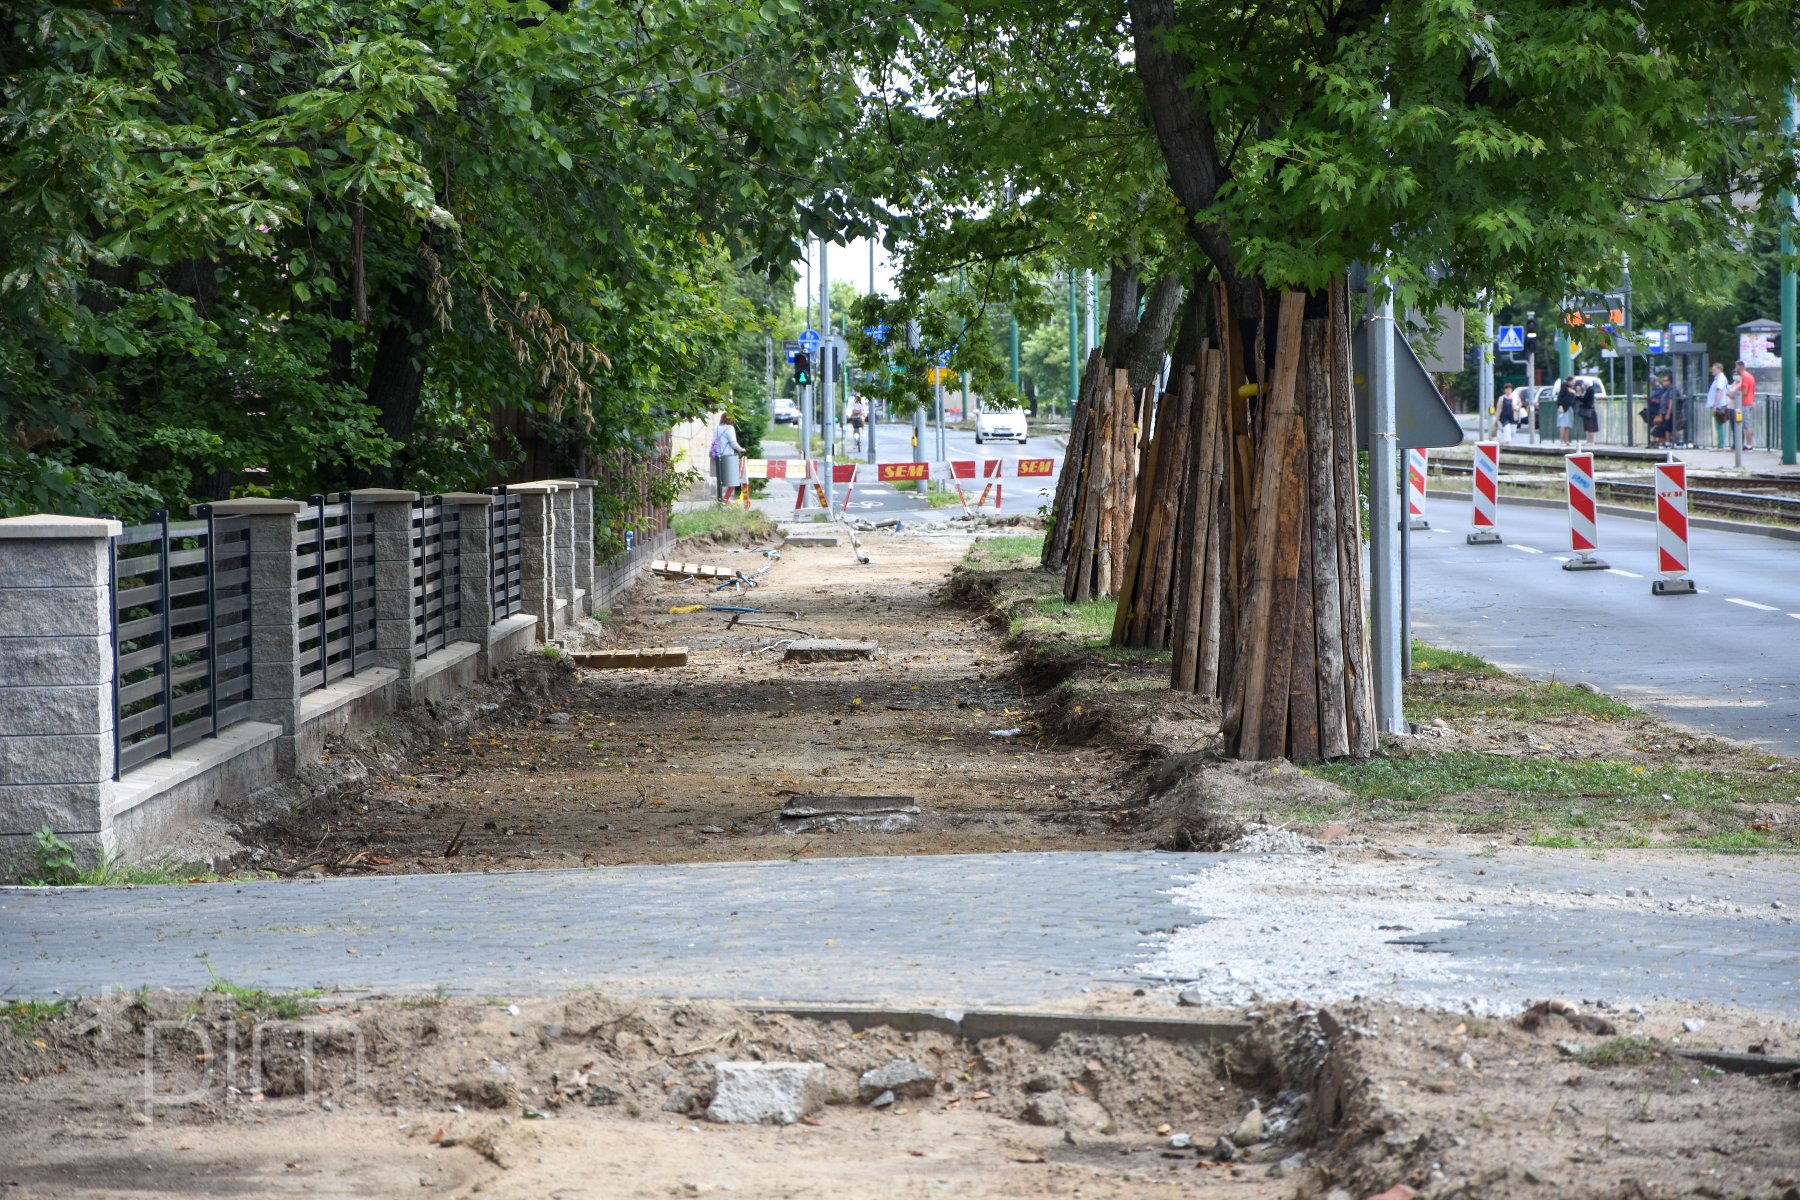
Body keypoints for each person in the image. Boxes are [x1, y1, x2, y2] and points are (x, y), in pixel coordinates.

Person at [709, 413, 746, 505]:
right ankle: (725, 500)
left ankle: (720, 499)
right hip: (727, 456)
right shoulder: (730, 428)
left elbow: (714, 441)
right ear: (730, 419)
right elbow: (733, 443)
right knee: (734, 479)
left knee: (720, 480)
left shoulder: (717, 428)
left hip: (717, 456)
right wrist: (741, 449)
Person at [1646, 370, 1679, 449]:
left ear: (1670, 381)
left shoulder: (1672, 389)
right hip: (1664, 411)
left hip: (1669, 412)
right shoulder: (1665, 389)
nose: (1664, 382)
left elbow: (1671, 401)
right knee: (1666, 428)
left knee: (1669, 428)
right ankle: (1667, 442)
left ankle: (1671, 442)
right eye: (1663, 380)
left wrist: (1668, 413)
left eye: (1666, 381)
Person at [1730, 361, 1757, 450]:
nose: (1735, 368)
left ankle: (1749, 445)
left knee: (1746, 425)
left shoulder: (1745, 376)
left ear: (1740, 366)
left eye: (1736, 366)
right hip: (1748, 402)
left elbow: (1744, 392)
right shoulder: (1748, 376)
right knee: (1746, 424)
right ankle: (1748, 444)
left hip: (1745, 403)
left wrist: (1737, 402)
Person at [1706, 361, 1732, 448]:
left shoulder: (1720, 378)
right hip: (1719, 404)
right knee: (1717, 424)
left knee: (1719, 424)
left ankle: (1721, 445)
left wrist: (1715, 405)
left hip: (1719, 405)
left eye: (1713, 369)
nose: (1712, 371)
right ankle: (1719, 443)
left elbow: (1719, 391)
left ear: (1719, 369)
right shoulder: (1717, 378)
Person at [1553, 376, 1580, 446]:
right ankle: (1562, 441)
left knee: (1568, 425)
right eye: (1573, 381)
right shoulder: (1564, 386)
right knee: (1563, 424)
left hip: (1569, 407)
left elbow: (1576, 396)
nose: (1574, 382)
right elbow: (1560, 397)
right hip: (1564, 408)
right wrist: (1560, 405)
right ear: (1570, 381)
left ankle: (1566, 440)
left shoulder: (1573, 388)